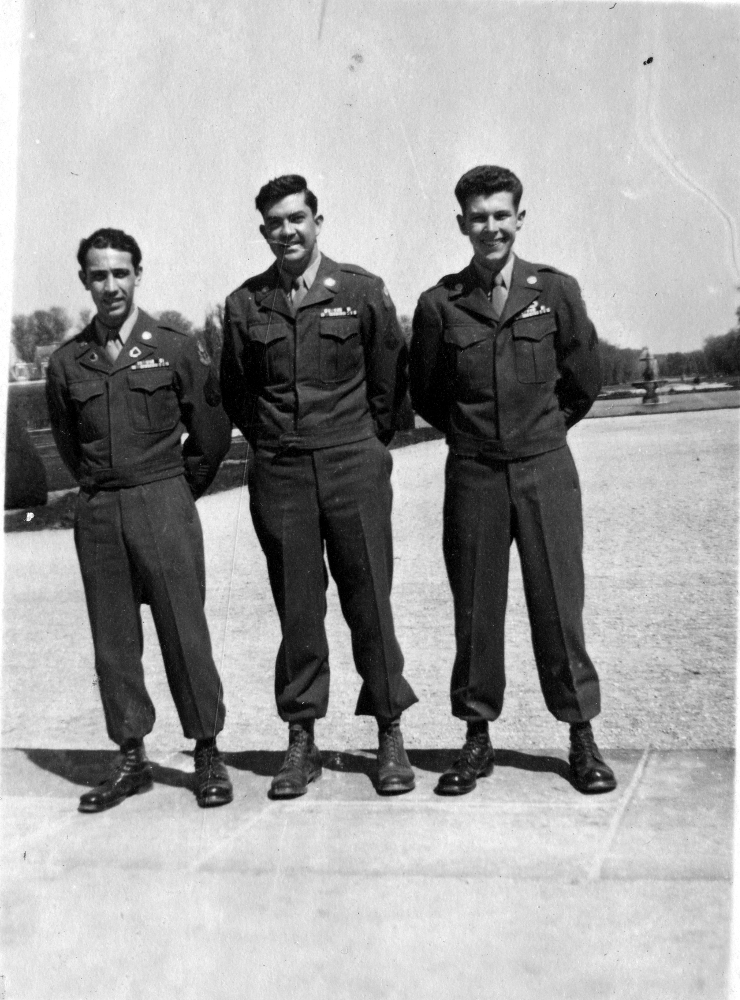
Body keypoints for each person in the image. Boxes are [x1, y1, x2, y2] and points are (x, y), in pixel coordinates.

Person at [410, 166, 616, 796]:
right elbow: (427, 392)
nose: (491, 227)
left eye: (502, 214)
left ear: (520, 218)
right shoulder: (439, 304)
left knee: (558, 602)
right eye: (479, 217)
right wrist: (477, 436)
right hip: (474, 472)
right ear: (461, 224)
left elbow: (584, 379)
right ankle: (476, 737)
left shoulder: (555, 291)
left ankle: (580, 734)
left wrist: (539, 432)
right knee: (475, 607)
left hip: (544, 467)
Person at [220, 175, 417, 797]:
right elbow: (236, 391)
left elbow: (390, 383)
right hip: (282, 471)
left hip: (352, 464)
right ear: (264, 232)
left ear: (317, 221)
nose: (288, 231)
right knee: (298, 608)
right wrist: (276, 442)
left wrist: (362, 444)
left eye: (297, 218)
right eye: (275, 223)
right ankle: (301, 739)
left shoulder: (361, 290)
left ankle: (389, 731)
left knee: (370, 602)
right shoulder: (245, 304)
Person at [46, 228, 234, 812]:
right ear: (85, 281)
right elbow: (70, 445)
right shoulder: (66, 361)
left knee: (184, 630)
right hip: (100, 510)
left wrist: (175, 491)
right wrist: (106, 487)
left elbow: (211, 433)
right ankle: (131, 756)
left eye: (120, 273)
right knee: (114, 642)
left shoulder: (174, 346)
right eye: (99, 275)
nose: (111, 286)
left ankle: (207, 751)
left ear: (138, 275)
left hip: (163, 500)